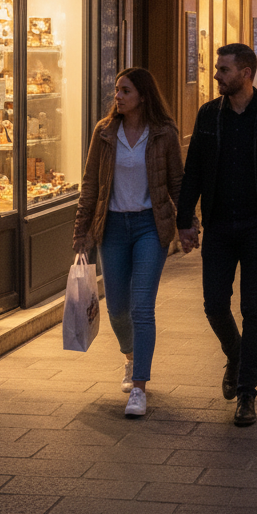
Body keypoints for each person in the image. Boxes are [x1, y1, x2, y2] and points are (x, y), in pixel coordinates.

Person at [176, 44, 257, 428]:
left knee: (254, 310)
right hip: (217, 225)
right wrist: (185, 219)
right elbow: (193, 170)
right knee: (214, 305)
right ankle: (235, 354)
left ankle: (247, 391)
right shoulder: (208, 115)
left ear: (246, 73)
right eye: (218, 68)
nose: (217, 75)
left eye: (224, 69)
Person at [73, 68, 183, 419]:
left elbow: (177, 183)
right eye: (117, 90)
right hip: (113, 227)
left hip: (150, 226)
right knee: (117, 308)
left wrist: (188, 224)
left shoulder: (164, 133)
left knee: (141, 307)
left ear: (143, 96)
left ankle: (139, 387)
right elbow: (90, 185)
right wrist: (81, 233)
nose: (117, 96)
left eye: (125, 91)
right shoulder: (105, 133)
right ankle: (130, 355)